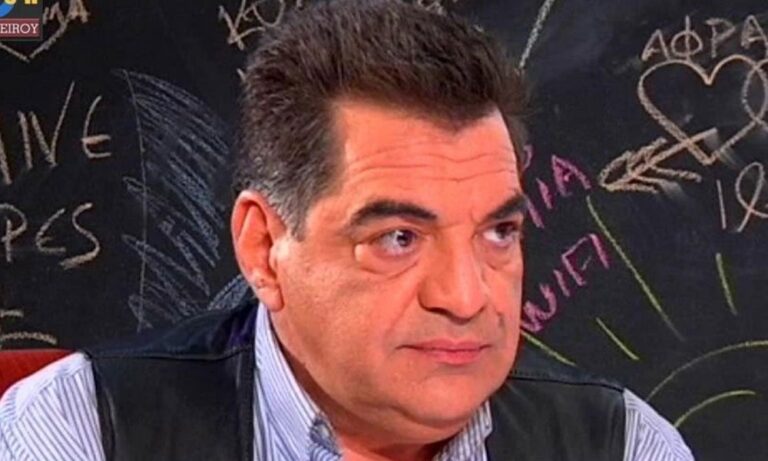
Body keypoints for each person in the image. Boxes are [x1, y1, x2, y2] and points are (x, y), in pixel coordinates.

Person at [0, 1, 695, 460]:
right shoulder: (83, 429)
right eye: (399, 238)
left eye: (498, 232)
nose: (466, 297)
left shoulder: (622, 443)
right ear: (264, 248)